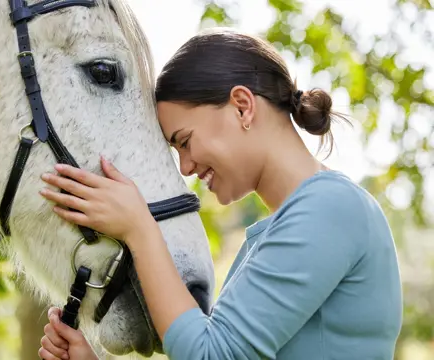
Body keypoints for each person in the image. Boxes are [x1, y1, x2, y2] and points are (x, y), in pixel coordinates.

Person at [36, 27, 403, 360]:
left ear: (242, 106)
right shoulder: (281, 233)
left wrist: (139, 229)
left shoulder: (329, 209)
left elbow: (213, 355)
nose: (185, 166)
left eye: (185, 141)